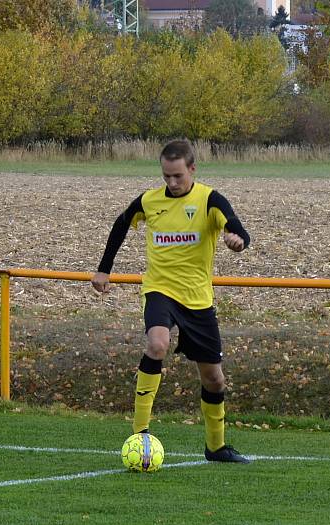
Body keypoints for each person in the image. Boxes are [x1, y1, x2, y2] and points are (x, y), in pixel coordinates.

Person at [91, 139, 252, 463]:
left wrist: (238, 240)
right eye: (166, 176)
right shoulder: (150, 201)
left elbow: (235, 227)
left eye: (178, 176)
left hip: (197, 299)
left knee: (214, 379)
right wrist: (103, 269)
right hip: (160, 289)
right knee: (157, 345)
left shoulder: (210, 199)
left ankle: (216, 447)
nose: (172, 183)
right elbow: (121, 225)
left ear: (192, 169)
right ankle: (140, 433)